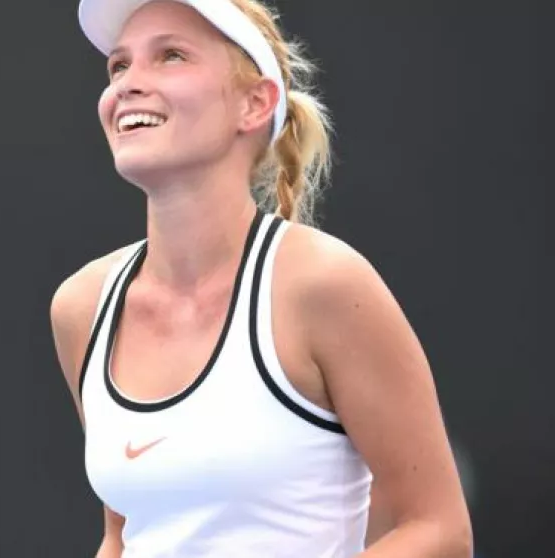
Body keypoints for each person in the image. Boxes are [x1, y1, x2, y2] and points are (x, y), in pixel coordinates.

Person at [49, 0, 473, 556]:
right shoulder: (81, 307)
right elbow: (123, 536)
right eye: (119, 66)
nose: (128, 84)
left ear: (254, 104)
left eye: (170, 56)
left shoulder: (324, 285)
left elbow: (439, 531)